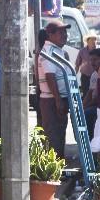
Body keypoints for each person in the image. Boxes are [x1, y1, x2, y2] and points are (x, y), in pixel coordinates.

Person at [38, 21, 70, 157]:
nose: (65, 35)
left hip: (58, 98)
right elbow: (50, 76)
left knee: (59, 134)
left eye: (65, 32)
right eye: (60, 32)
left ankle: (58, 170)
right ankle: (53, 173)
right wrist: (58, 101)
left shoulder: (58, 50)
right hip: (52, 100)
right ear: (50, 35)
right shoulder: (49, 51)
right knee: (53, 137)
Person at [83, 48, 100, 138]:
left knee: (87, 114)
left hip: (97, 105)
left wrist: (86, 107)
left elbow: (96, 99)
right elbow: (89, 93)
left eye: (95, 59)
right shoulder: (94, 75)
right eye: (91, 60)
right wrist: (81, 107)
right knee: (79, 116)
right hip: (94, 105)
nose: (92, 62)